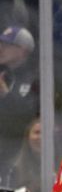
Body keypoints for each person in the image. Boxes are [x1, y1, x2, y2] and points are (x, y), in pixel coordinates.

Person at [0, 26, 39, 170]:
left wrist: (6, 94)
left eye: (7, 45)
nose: (1, 48)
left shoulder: (36, 77)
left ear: (23, 50)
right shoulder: (4, 73)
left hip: (19, 154)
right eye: (1, 44)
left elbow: (30, 116)